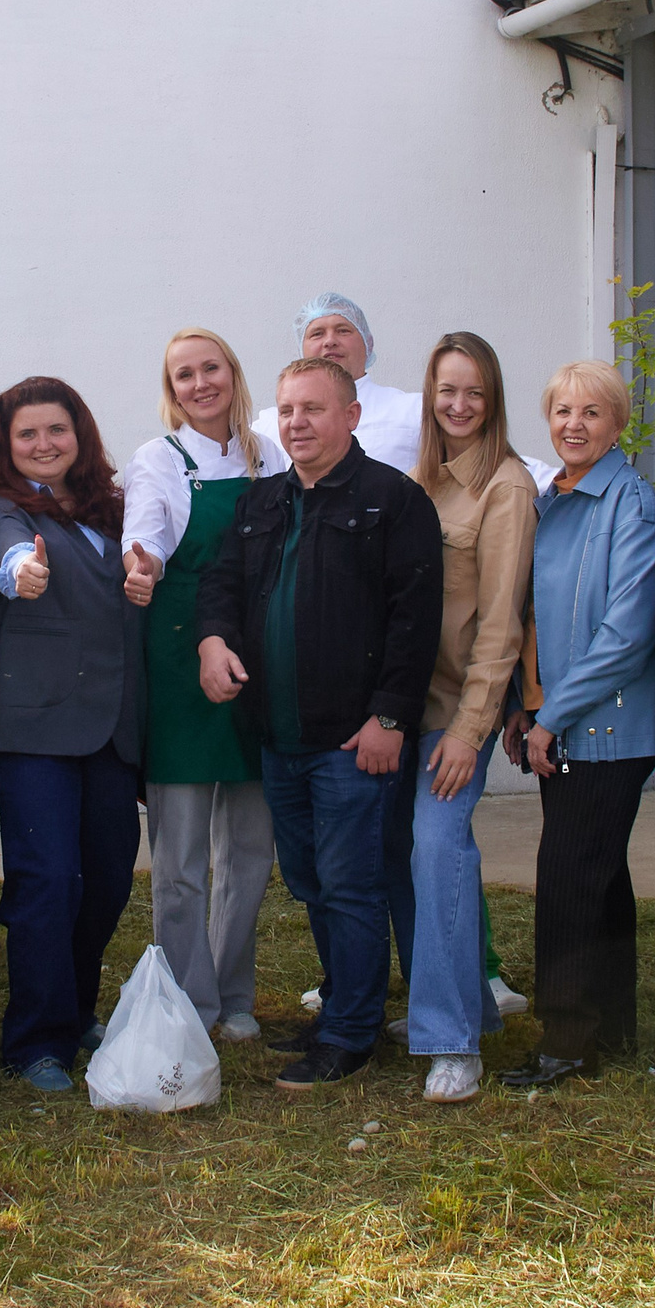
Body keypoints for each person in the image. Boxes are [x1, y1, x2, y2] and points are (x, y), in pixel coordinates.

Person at [196, 358, 442, 1091]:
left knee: (351, 883)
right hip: (279, 735)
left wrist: (389, 717)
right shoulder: (262, 501)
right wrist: (212, 639)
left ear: (352, 416)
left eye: (313, 408)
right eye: (287, 410)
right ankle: (346, 1002)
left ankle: (350, 1034)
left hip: (353, 740)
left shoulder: (393, 500)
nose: (297, 422)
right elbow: (220, 583)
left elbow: (414, 619)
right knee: (308, 880)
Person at [0, 378, 146, 1092]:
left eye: (57, 431)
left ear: (81, 435)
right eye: (28, 435)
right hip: (36, 728)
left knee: (104, 880)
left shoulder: (115, 511)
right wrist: (20, 569)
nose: (44, 444)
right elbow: (3, 549)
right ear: (6, 447)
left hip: (112, 728)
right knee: (48, 883)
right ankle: (36, 1040)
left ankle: (76, 1011)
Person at [496, 360, 655, 1091]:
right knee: (601, 872)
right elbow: (533, 617)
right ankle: (612, 1020)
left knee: (567, 875)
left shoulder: (628, 502)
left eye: (592, 413)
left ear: (618, 424)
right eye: (563, 411)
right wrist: (523, 707)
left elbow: (625, 634)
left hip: (603, 729)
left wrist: (552, 718)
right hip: (558, 719)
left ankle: (566, 1040)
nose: (574, 424)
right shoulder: (554, 498)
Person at [118, 328, 286, 1044]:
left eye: (209, 368)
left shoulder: (269, 455)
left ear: (232, 372)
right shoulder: (158, 459)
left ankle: (235, 991)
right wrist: (141, 566)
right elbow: (145, 534)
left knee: (249, 850)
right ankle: (191, 998)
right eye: (183, 375)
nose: (199, 384)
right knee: (181, 855)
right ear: (171, 389)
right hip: (181, 664)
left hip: (258, 662)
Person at [403, 334, 536, 1102]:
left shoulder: (505, 487)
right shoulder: (421, 483)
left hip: (456, 713)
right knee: (409, 855)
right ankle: (469, 1008)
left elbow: (501, 623)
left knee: (439, 848)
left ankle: (452, 1040)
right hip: (402, 710)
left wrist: (469, 730)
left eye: (474, 393)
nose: (459, 406)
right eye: (447, 391)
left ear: (493, 401)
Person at [250, 293, 422, 470]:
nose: (330, 341)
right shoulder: (267, 427)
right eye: (317, 334)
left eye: (343, 330)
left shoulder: (413, 410)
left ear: (368, 342)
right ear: (301, 348)